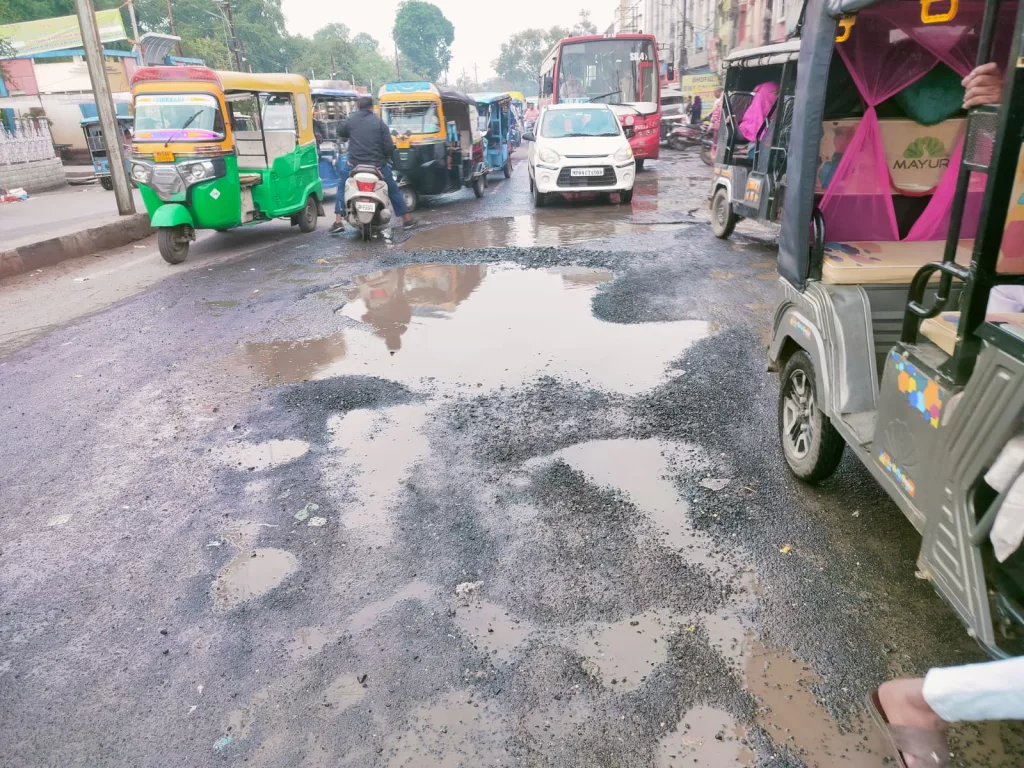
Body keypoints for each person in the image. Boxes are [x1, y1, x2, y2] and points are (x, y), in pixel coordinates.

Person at [329, 95, 414, 234]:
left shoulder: (351, 120)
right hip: (378, 166)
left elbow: (340, 131)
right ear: (371, 107)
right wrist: (386, 157)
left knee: (341, 186)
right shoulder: (380, 123)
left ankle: (338, 221)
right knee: (392, 189)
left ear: (357, 107)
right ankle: (407, 220)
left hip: (354, 165)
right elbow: (388, 148)